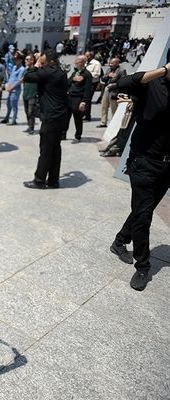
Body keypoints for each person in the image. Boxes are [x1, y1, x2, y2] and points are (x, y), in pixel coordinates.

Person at [110, 57, 170, 291]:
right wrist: (163, 72)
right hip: (144, 161)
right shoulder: (151, 84)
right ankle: (143, 266)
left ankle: (119, 241)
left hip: (167, 165)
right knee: (144, 215)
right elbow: (123, 83)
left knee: (143, 209)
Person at [22, 49, 69, 189]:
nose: (40, 62)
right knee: (55, 148)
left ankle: (39, 180)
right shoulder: (60, 72)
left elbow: (28, 76)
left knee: (46, 149)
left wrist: (35, 65)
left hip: (51, 116)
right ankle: (54, 180)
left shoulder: (48, 72)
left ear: (50, 60)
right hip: (60, 115)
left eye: (42, 60)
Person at [64, 55, 92, 143]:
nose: (76, 63)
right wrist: (73, 79)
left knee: (77, 118)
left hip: (78, 98)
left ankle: (78, 136)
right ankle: (63, 134)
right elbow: (68, 82)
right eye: (76, 61)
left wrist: (84, 101)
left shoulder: (87, 74)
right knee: (65, 117)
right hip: (69, 97)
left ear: (83, 63)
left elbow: (88, 89)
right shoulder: (75, 72)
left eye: (78, 61)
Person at [98, 57, 127, 128]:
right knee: (104, 106)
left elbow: (123, 81)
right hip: (107, 88)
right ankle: (103, 122)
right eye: (109, 63)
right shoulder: (109, 70)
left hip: (114, 90)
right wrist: (108, 76)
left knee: (114, 107)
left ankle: (114, 123)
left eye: (112, 63)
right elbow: (103, 79)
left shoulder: (122, 70)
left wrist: (114, 85)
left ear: (117, 63)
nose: (110, 64)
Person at [0, 53, 25, 125]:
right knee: (8, 104)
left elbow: (19, 80)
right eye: (14, 59)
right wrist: (7, 85)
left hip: (15, 90)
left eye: (16, 59)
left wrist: (12, 87)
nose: (15, 61)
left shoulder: (22, 69)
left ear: (20, 60)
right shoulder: (14, 67)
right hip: (10, 88)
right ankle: (7, 117)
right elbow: (11, 78)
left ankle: (13, 119)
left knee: (14, 105)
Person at [22, 54, 38, 134]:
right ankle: (29, 125)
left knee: (30, 111)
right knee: (26, 111)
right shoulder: (26, 71)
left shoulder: (36, 70)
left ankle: (32, 127)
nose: (25, 61)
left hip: (33, 94)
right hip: (26, 93)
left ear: (32, 61)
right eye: (25, 59)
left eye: (27, 59)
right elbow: (22, 81)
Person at [84, 51, 101, 121]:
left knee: (88, 99)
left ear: (91, 56)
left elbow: (97, 74)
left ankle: (87, 116)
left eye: (87, 56)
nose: (86, 57)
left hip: (92, 83)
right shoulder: (85, 63)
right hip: (84, 83)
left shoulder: (96, 63)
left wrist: (86, 75)